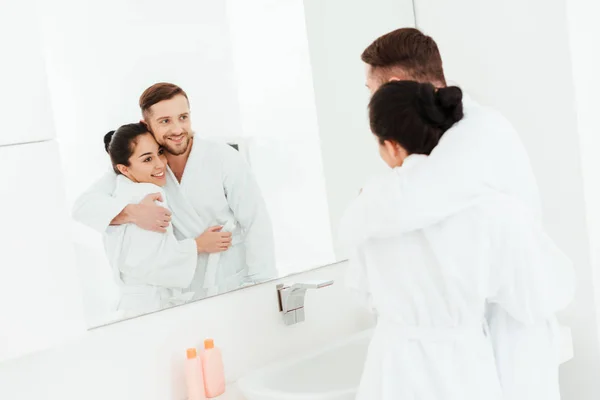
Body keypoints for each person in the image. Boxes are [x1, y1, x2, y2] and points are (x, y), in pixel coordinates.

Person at [354, 28, 575, 399]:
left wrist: (370, 196)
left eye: (371, 90)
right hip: (472, 334)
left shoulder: (477, 135)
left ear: (393, 85)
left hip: (508, 332)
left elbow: (407, 208)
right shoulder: (449, 135)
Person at [73, 83, 277, 299]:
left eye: (183, 117)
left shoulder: (224, 158)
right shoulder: (140, 166)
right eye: (165, 121)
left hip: (230, 281)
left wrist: (262, 285)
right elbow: (83, 207)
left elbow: (256, 223)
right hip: (181, 292)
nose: (178, 129)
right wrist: (133, 213)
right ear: (147, 124)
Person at [101, 123, 224, 317]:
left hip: (135, 306)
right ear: (124, 169)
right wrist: (198, 245)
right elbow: (148, 265)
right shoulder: (148, 197)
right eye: (148, 159)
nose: (160, 164)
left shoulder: (120, 196)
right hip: (148, 309)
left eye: (160, 153)